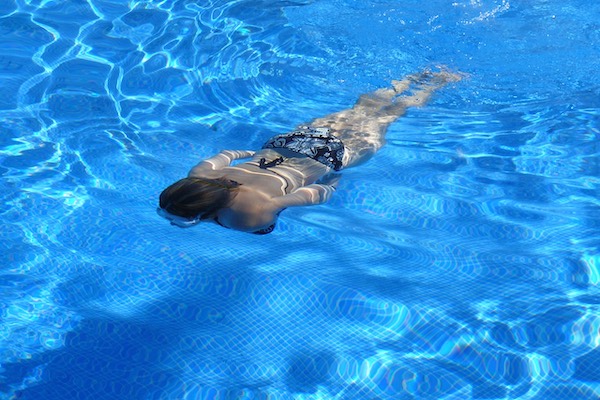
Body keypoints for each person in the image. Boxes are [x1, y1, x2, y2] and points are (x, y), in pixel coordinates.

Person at [158, 70, 461, 234]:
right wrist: (251, 151)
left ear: (199, 214)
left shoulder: (248, 216)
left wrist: (330, 185)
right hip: (288, 142)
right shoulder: (199, 174)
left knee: (389, 115)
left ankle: (440, 81)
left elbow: (307, 196)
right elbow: (227, 153)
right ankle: (411, 76)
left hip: (328, 157)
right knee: (364, 107)